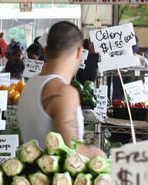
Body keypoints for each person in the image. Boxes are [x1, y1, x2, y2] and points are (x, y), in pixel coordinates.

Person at [18, 21, 105, 158]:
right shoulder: (64, 93)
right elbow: (73, 151)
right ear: (79, 52)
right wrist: (96, 152)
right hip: (57, 172)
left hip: (32, 169)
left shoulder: (29, 84)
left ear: (46, 50)